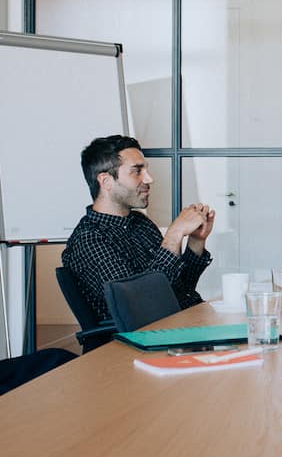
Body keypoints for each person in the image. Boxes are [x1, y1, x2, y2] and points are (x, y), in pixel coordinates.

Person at [62, 135, 216, 323]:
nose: (149, 179)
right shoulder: (89, 239)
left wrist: (196, 241)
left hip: (185, 323)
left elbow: (180, 287)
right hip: (146, 340)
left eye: (146, 170)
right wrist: (174, 235)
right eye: (137, 171)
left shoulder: (139, 223)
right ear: (106, 181)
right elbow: (139, 305)